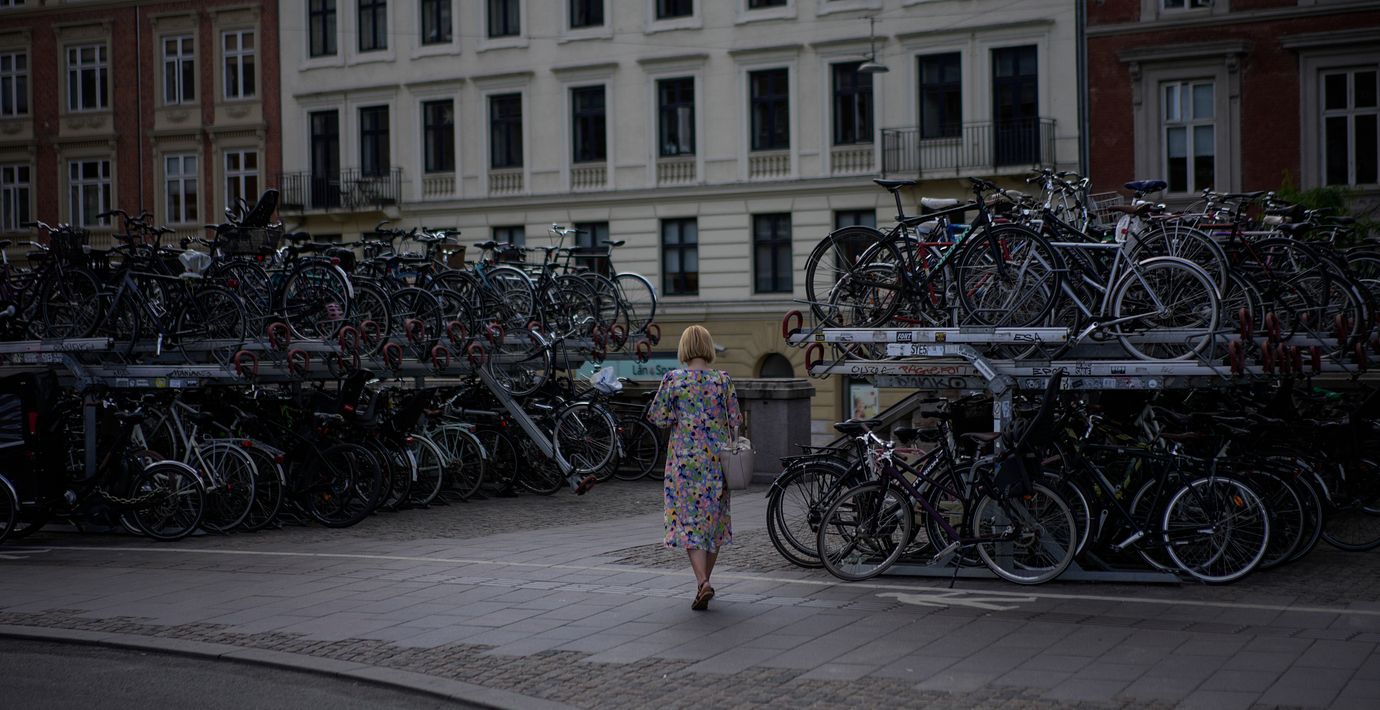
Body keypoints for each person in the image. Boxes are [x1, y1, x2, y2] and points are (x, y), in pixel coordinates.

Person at [646, 325, 741, 611]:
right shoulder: (722, 380)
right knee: (714, 523)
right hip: (717, 462)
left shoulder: (673, 380)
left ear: (684, 349)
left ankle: (702, 583)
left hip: (684, 463)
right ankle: (705, 582)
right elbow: (735, 419)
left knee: (688, 523)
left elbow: (658, 417)